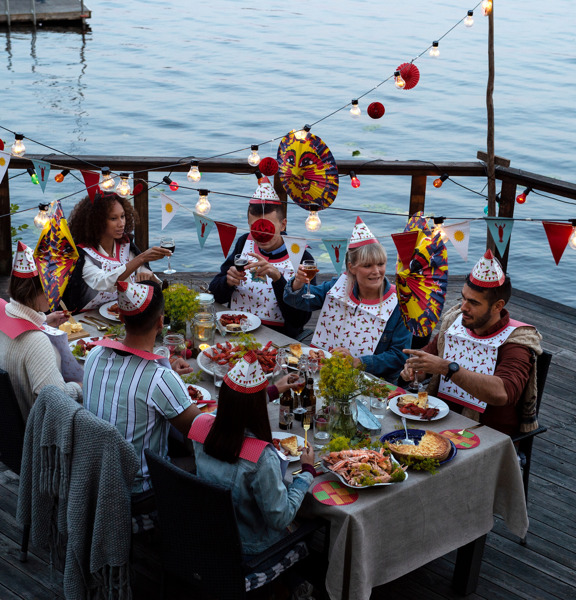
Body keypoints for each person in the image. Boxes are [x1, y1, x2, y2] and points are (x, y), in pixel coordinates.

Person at [400, 250, 543, 437]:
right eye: (463, 298)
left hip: (486, 434)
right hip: (437, 418)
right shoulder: (454, 322)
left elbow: (503, 393)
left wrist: (447, 368)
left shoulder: (516, 342)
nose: (463, 307)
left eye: (473, 303)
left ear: (498, 306)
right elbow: (428, 357)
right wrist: (416, 370)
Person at [188, 351, 316, 556]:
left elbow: (228, 410)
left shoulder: (199, 425)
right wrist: (307, 472)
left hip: (210, 531)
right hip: (252, 550)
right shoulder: (262, 458)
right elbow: (281, 519)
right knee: (313, 527)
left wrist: (273, 390)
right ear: (258, 408)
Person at [83, 279, 201, 498]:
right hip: (140, 492)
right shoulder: (160, 379)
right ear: (160, 322)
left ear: (120, 317)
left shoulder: (94, 355)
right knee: (207, 460)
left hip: (95, 478)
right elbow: (201, 433)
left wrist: (168, 372)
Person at [284, 217, 411, 382]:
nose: (376, 271)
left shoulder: (400, 303)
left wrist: (358, 362)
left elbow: (399, 356)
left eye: (380, 264)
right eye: (367, 265)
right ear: (352, 267)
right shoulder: (338, 285)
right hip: (324, 369)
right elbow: (298, 301)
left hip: (372, 381)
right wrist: (298, 283)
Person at [209, 173, 314, 339]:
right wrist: (227, 282)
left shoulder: (301, 256)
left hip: (278, 337)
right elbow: (215, 295)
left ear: (283, 225)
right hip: (235, 330)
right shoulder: (244, 243)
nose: (261, 235)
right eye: (255, 229)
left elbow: (298, 320)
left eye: (268, 229)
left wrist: (278, 279)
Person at [0, 242, 82, 421]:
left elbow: (19, 321)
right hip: (33, 427)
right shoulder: (36, 341)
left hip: (8, 420)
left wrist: (44, 320)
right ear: (44, 289)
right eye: (55, 286)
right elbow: (58, 401)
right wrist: (79, 386)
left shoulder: (2, 311)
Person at [63, 191, 171, 313]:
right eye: (113, 218)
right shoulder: (83, 255)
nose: (121, 224)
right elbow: (103, 281)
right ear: (97, 221)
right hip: (88, 317)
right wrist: (142, 258)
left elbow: (142, 270)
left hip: (125, 314)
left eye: (123, 216)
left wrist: (148, 273)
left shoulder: (126, 245)